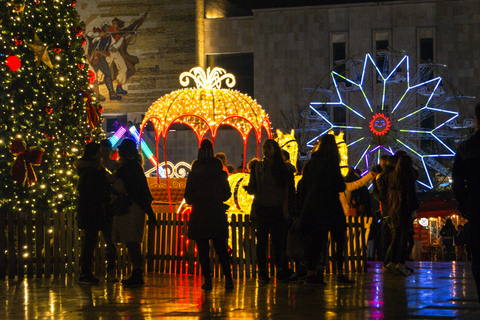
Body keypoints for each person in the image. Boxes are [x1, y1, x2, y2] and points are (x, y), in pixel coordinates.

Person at [296, 134, 346, 285]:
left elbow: (304, 187)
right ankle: (339, 273)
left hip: (313, 206)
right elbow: (340, 186)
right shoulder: (332, 164)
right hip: (331, 206)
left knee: (316, 242)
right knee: (339, 240)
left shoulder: (311, 164)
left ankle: (312, 273)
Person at [184, 138, 233, 290]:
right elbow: (227, 194)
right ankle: (228, 279)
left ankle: (208, 280)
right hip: (216, 214)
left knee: (203, 250)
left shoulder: (194, 171)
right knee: (221, 249)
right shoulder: (219, 171)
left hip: (199, 214)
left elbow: (188, 196)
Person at [245, 139, 294, 283]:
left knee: (278, 241)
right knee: (261, 241)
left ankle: (279, 269)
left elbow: (287, 190)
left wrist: (286, 208)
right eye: (264, 148)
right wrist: (251, 189)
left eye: (268, 147)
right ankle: (263, 271)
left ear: (275, 149)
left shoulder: (282, 168)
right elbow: (254, 185)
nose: (265, 150)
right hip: (263, 208)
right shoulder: (258, 167)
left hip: (277, 208)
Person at [110, 138, 157, 286]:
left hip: (131, 207)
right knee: (133, 241)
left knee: (131, 241)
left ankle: (137, 272)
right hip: (136, 207)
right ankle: (137, 271)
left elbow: (131, 188)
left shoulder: (127, 167)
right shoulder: (135, 166)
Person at [452, 102, 480, 303]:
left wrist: (465, 207)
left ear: (476, 121)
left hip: (477, 208)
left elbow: (458, 183)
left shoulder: (466, 148)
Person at [75, 142, 111, 285]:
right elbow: (93, 191)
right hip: (92, 210)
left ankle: (86, 272)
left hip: (90, 210)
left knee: (90, 242)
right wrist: (105, 196)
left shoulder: (92, 170)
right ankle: (85, 273)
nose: (101, 155)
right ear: (92, 154)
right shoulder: (91, 171)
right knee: (90, 242)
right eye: (98, 152)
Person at [384, 155, 419, 276]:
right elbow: (410, 195)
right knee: (404, 238)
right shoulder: (407, 176)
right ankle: (401, 263)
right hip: (404, 210)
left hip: (393, 210)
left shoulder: (390, 176)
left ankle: (391, 262)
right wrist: (413, 210)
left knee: (396, 237)